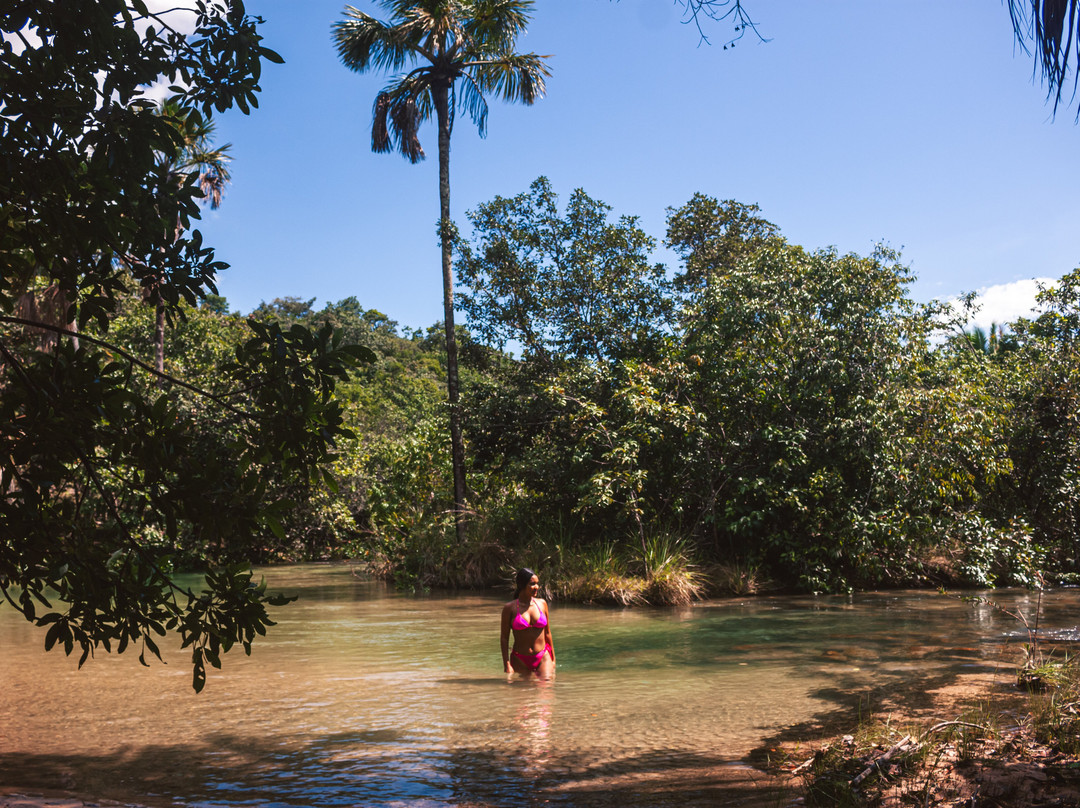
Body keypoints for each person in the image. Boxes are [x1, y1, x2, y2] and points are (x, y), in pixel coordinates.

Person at [501, 567, 555, 678]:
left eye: (537, 584)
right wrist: (506, 664)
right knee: (523, 693)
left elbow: (548, 633)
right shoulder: (510, 608)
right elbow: (504, 638)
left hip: (542, 656)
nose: (537, 587)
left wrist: (553, 659)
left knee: (546, 689)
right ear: (522, 585)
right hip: (519, 659)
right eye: (532, 584)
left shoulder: (542, 604)